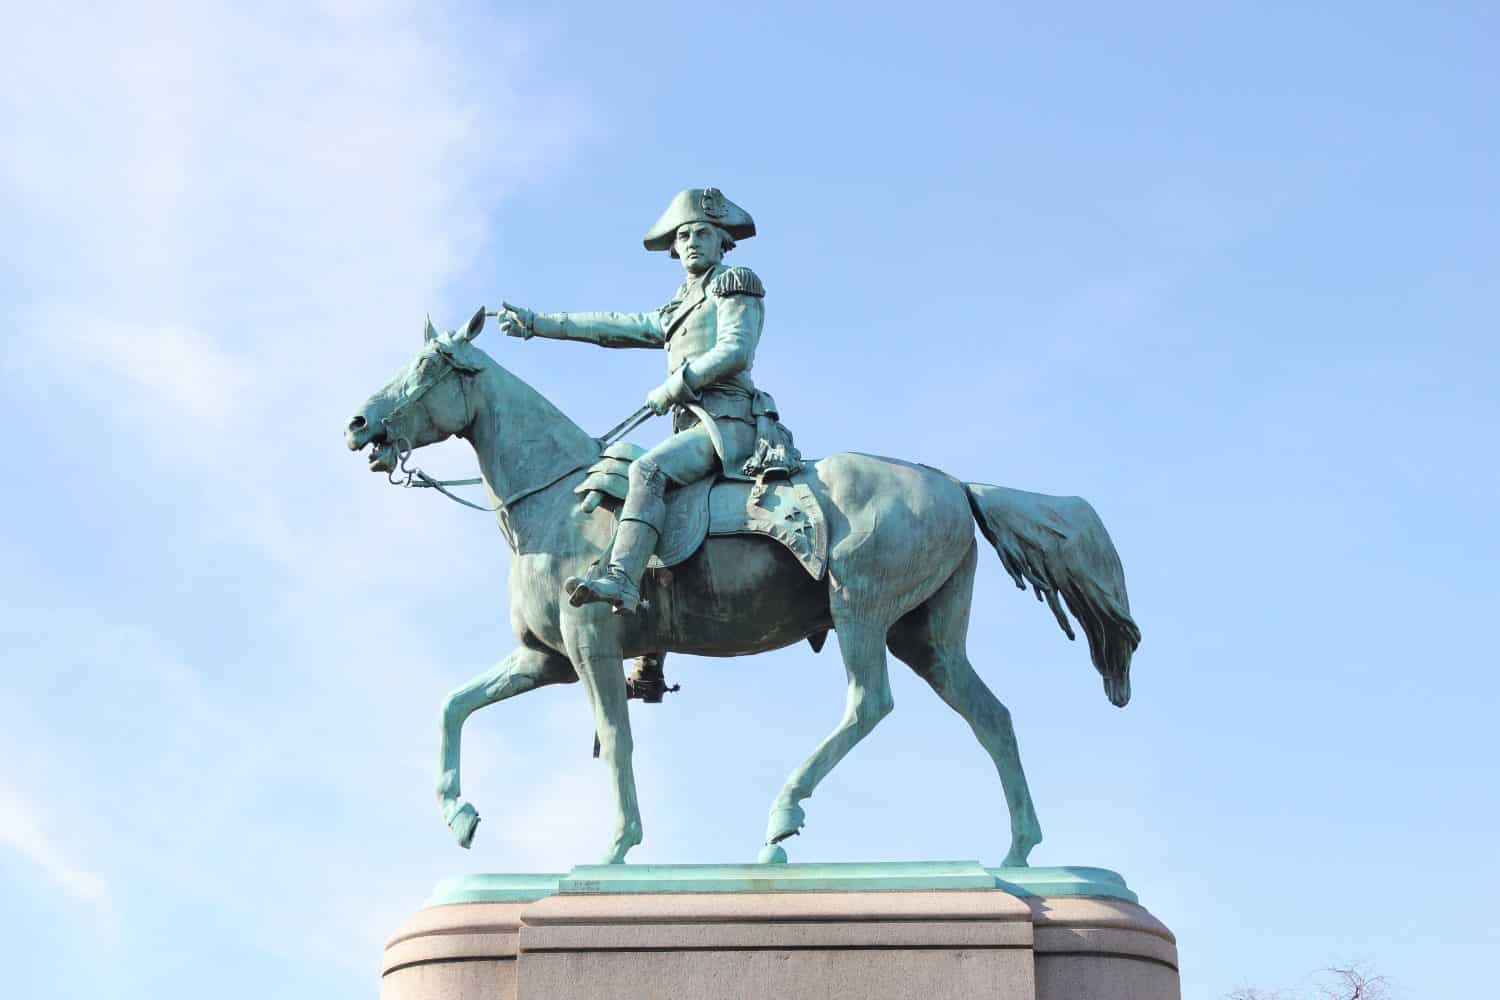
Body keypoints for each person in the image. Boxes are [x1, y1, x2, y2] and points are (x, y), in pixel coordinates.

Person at [497, 187, 789, 612]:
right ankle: (651, 649)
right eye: (684, 236)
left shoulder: (733, 283)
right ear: (673, 246)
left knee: (647, 469)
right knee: (617, 470)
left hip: (729, 423)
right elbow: (611, 327)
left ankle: (622, 579)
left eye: (703, 234)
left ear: (723, 241)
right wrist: (538, 323)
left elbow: (736, 350)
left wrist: (677, 383)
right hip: (693, 426)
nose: (692, 243)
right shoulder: (677, 308)